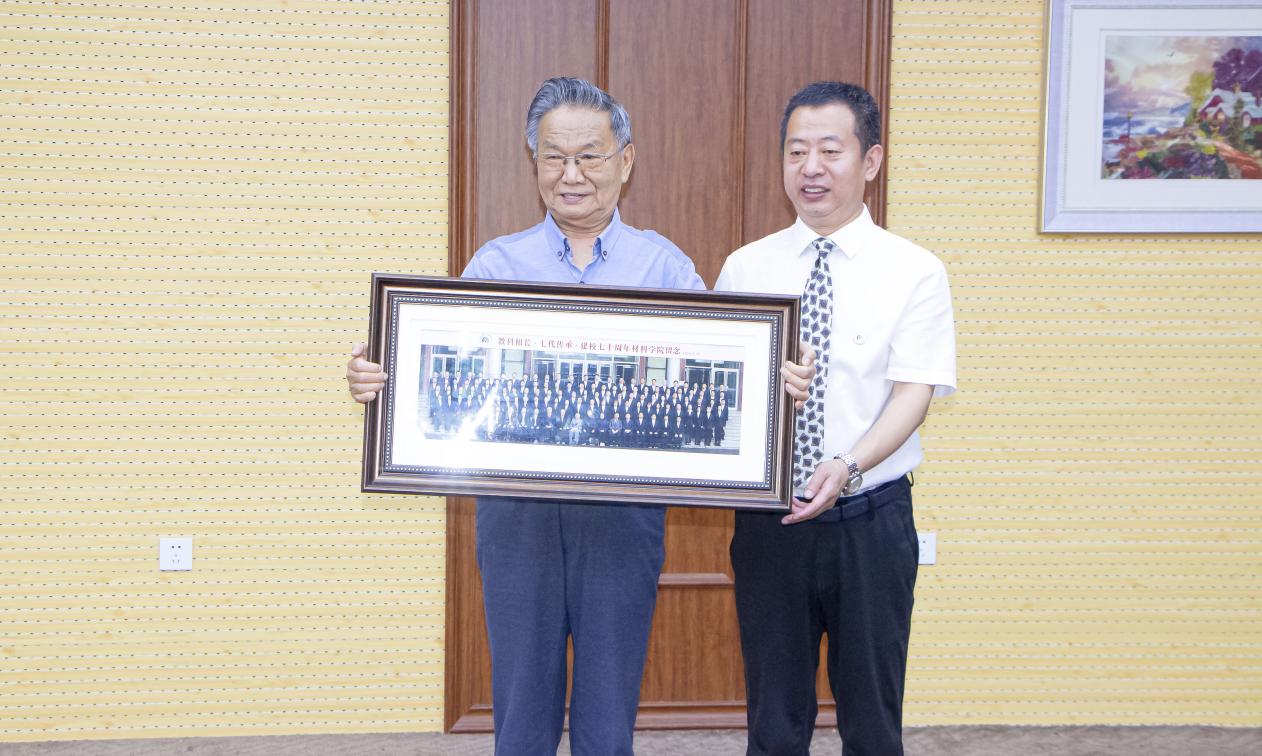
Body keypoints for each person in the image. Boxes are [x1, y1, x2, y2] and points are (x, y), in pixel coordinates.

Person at [347, 77, 815, 756]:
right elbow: (442, 378)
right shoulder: (495, 264)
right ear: (533, 161)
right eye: (554, 157)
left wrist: (776, 386)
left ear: (626, 161)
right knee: (521, 708)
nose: (572, 175)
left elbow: (725, 370)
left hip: (622, 517)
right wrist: (383, 378)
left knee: (608, 711)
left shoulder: (665, 268)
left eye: (589, 156)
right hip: (517, 515)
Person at [716, 81, 956, 755]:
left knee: (872, 722)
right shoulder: (746, 267)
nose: (811, 168)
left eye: (830, 150)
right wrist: (761, 387)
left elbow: (914, 393)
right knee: (773, 722)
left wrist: (847, 465)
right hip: (770, 525)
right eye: (796, 152)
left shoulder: (914, 271)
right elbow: (721, 391)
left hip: (870, 521)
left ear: (870, 160)